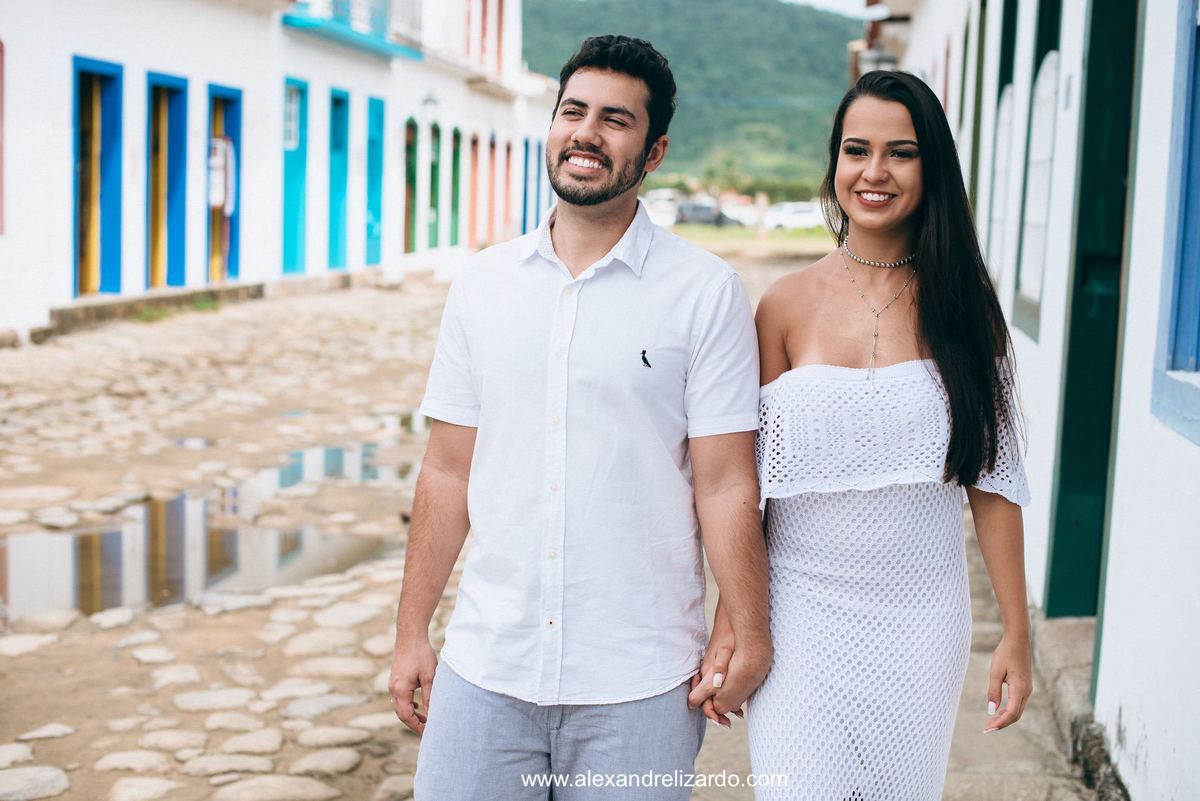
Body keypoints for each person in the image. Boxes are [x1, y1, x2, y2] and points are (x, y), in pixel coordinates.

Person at [388, 35, 773, 801]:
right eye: (573, 111)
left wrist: (750, 629)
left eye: (616, 120)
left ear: (654, 150)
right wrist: (411, 630)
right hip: (486, 667)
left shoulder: (704, 292)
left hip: (641, 682)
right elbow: (446, 468)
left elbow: (727, 483)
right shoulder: (482, 286)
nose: (587, 132)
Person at [694, 70, 1034, 799]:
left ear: (931, 166)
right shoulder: (782, 306)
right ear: (834, 164)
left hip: (922, 625)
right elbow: (743, 489)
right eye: (856, 150)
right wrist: (734, 622)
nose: (873, 172)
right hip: (799, 620)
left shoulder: (967, 308)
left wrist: (1017, 630)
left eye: (900, 153)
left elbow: (995, 479)